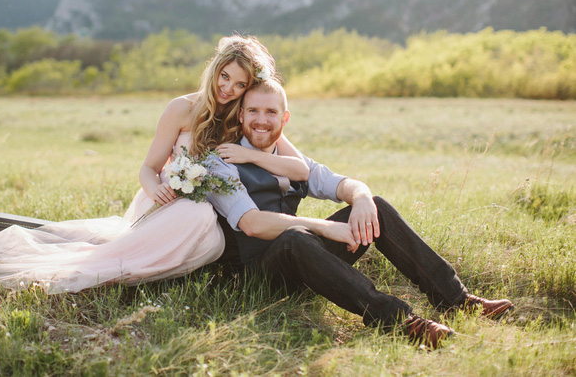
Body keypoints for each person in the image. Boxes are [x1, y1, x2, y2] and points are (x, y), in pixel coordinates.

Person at [0, 35, 310, 294]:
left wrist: (250, 154)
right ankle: (108, 272)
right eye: (224, 77)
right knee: (193, 216)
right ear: (214, 71)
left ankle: (166, 270)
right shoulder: (181, 109)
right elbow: (147, 168)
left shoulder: (245, 115)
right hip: (163, 201)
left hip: (209, 211)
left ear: (248, 89)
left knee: (202, 218)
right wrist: (156, 187)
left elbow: (301, 169)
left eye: (239, 84)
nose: (228, 88)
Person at [206, 80, 514, 349]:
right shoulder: (223, 162)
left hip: (308, 261)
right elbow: (252, 223)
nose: (262, 120)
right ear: (242, 114)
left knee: (374, 206)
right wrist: (325, 229)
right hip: (257, 275)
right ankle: (399, 320)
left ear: (284, 118)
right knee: (295, 238)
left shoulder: (292, 161)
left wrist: (363, 197)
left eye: (271, 112)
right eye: (254, 111)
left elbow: (341, 183)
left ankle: (457, 301)